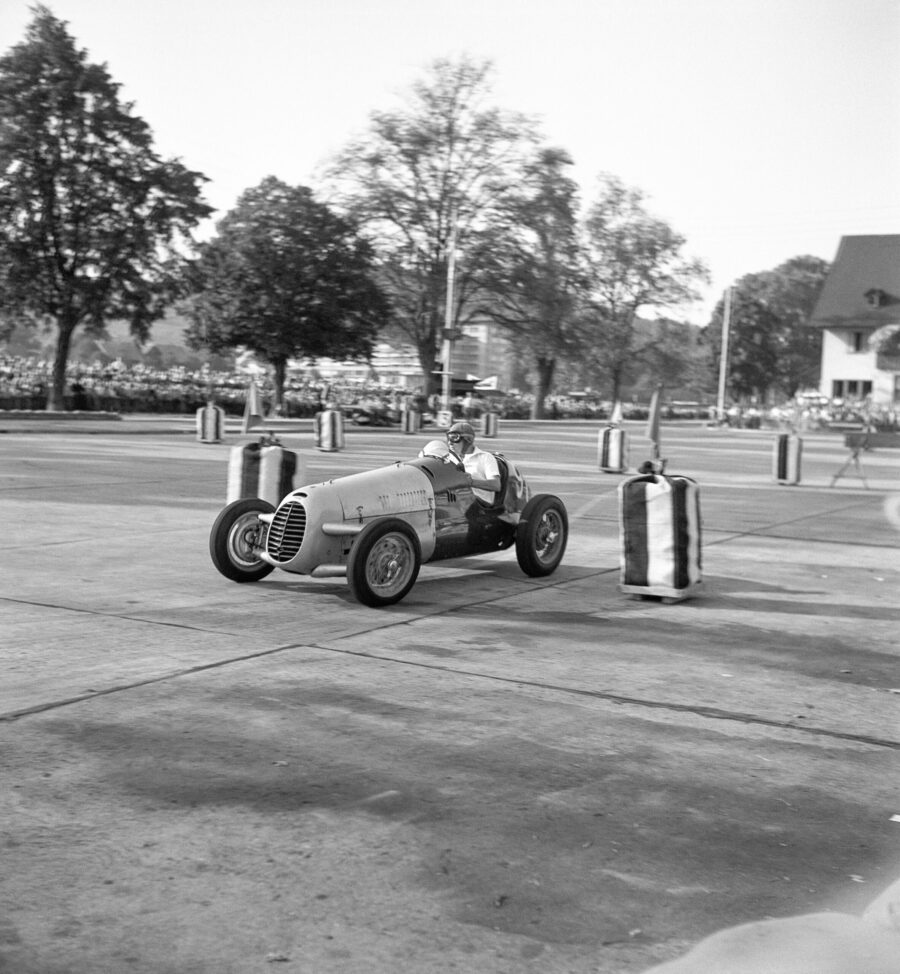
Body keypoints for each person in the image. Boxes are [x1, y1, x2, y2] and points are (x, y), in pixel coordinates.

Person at [445, 421, 501, 504]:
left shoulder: (485, 457)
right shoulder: (448, 458)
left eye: (454, 438)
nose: (450, 443)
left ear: (468, 440)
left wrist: (470, 482)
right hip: (455, 502)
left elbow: (496, 485)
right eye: (448, 438)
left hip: (479, 506)